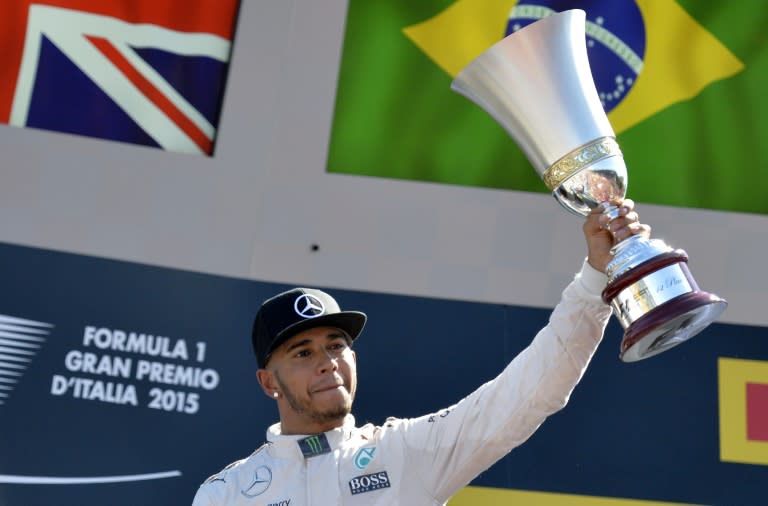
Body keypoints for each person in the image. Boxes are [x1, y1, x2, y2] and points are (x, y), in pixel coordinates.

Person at [192, 200, 649, 505]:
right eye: (302, 352)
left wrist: (594, 279)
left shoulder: (406, 451)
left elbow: (531, 391)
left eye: (336, 345)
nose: (327, 360)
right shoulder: (227, 493)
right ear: (268, 381)